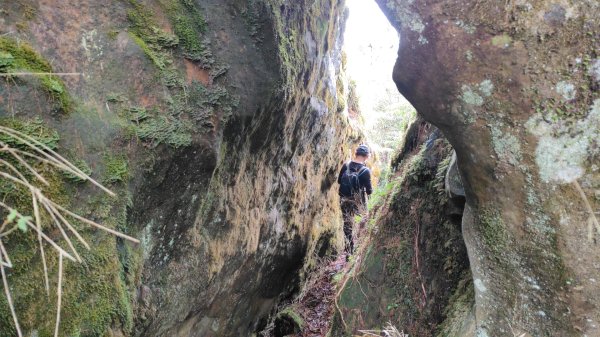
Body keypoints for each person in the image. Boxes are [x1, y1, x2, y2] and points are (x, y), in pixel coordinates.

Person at [337, 144, 373, 258]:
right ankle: (360, 248)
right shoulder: (365, 170)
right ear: (366, 156)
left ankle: (349, 250)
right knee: (362, 222)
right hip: (358, 202)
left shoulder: (346, 165)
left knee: (347, 224)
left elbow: (339, 181)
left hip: (344, 200)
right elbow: (369, 191)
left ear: (356, 153)